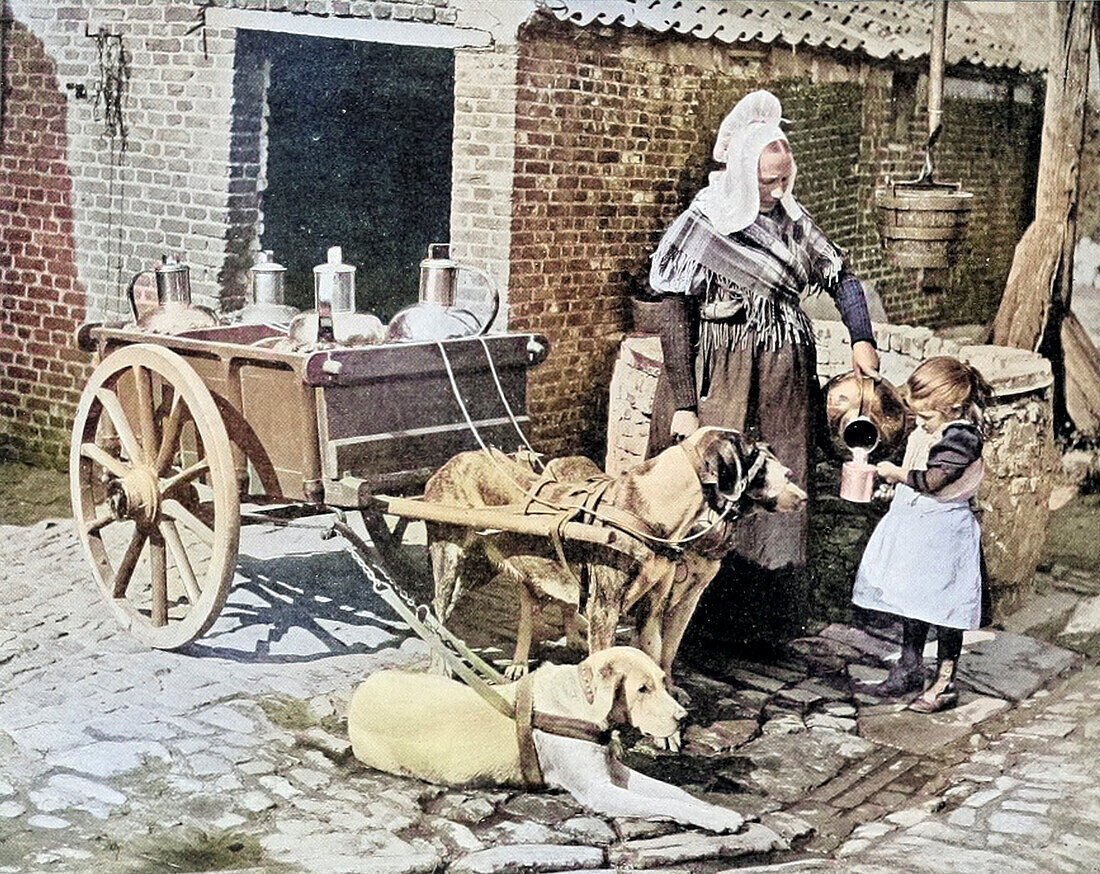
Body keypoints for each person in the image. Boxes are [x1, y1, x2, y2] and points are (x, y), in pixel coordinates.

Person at [639, 89, 879, 640]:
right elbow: (672, 310)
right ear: (744, 173)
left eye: (783, 180)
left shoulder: (793, 221)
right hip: (717, 374)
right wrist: (681, 402)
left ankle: (762, 628)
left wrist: (860, 337)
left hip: (781, 380)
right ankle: (696, 625)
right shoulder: (706, 220)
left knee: (778, 486)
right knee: (712, 485)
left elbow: (842, 278)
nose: (776, 191)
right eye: (766, 182)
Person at [851, 356, 992, 713]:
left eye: (927, 417)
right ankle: (910, 667)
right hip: (918, 529)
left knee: (946, 610)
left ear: (953, 407)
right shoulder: (933, 428)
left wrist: (897, 475)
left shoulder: (961, 437)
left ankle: (944, 683)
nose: (922, 423)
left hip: (945, 533)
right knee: (913, 601)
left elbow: (934, 480)